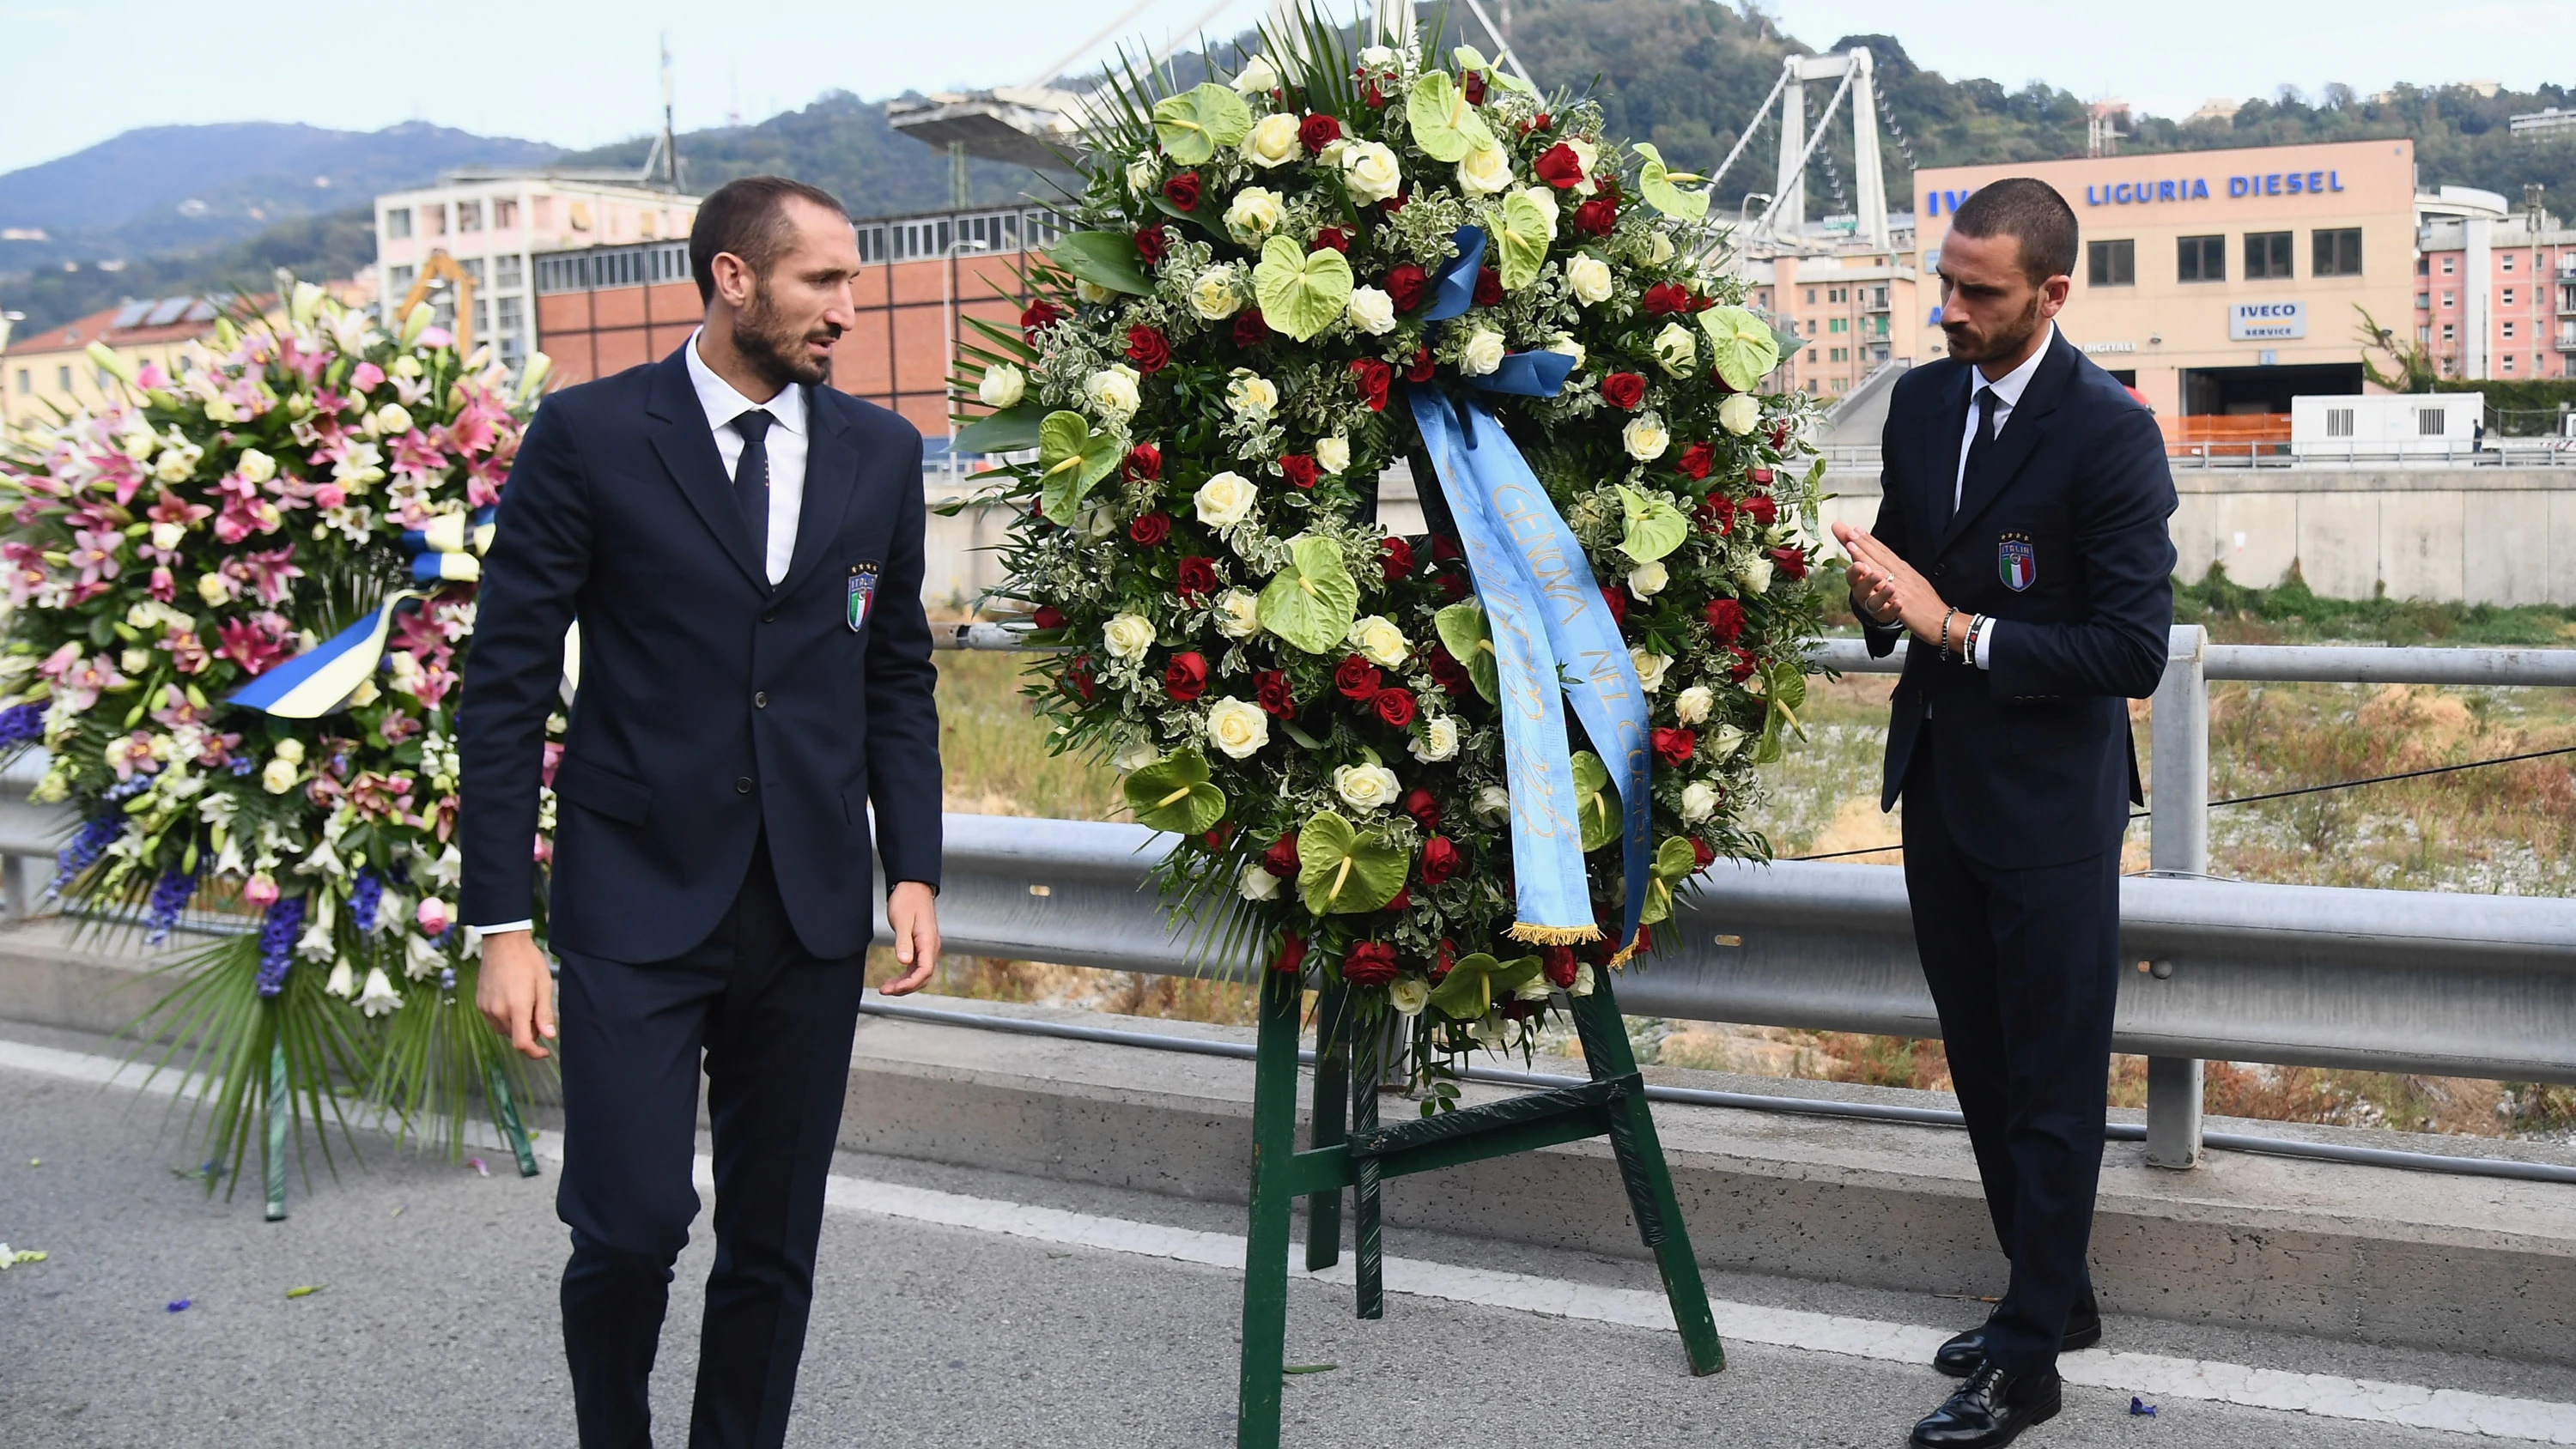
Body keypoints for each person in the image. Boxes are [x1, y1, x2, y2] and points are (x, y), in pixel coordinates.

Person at [459, 174, 945, 1449]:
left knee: (775, 1239)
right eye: (821, 281)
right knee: (627, 1225)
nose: (850, 306)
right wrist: (500, 922)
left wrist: (915, 864)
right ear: (735, 279)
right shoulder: (591, 435)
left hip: (808, 904)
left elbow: (893, 670)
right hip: (633, 895)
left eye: (853, 279)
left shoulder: (882, 453)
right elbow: (506, 683)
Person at [1831, 178, 2176, 1449]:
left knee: (2053, 1083)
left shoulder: (2110, 430)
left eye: (1980, 292)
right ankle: (2055, 1299)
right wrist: (1875, 598)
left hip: (2051, 808)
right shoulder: (1923, 403)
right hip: (1939, 787)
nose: (1951, 309)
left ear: (2052, 293)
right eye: (1946, 283)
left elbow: (2130, 650)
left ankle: (2027, 1366)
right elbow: (1910, 575)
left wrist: (1955, 629)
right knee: (1982, 1066)